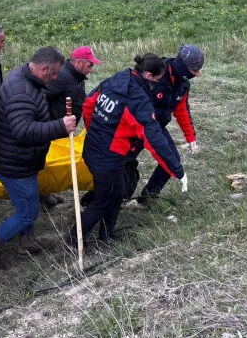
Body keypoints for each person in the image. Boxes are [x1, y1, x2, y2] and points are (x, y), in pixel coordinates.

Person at [68, 54, 187, 249]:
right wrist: (177, 170)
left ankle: (106, 235)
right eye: (157, 80)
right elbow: (154, 139)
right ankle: (74, 241)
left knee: (118, 192)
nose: (158, 84)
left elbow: (89, 103)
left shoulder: (116, 79)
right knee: (103, 200)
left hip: (93, 147)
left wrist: (95, 130)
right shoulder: (138, 100)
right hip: (107, 157)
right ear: (148, 75)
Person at [0, 47, 77, 272]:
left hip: (20, 160)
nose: (56, 78)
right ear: (43, 68)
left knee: (28, 204)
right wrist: (60, 126)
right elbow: (23, 131)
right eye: (54, 73)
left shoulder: (25, 78)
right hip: (15, 165)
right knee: (28, 212)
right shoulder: (21, 91)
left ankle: (26, 243)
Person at [127, 44, 204, 204]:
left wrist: (190, 137)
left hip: (157, 127)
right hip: (134, 126)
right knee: (121, 163)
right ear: (182, 67)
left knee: (172, 160)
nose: (197, 74)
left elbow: (181, 108)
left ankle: (147, 199)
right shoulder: (156, 74)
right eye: (194, 70)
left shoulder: (183, 84)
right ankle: (92, 200)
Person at [40, 45, 101, 206]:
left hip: (63, 128)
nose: (91, 69)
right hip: (54, 127)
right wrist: (50, 121)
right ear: (78, 63)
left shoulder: (77, 77)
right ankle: (43, 192)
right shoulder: (62, 77)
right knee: (49, 161)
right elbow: (40, 96)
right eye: (90, 65)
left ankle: (47, 191)